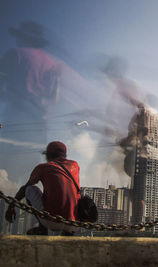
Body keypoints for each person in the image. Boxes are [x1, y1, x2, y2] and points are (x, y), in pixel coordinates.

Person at [0, 20, 61, 185]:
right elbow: (53, 99)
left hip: (16, 119)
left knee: (6, 170)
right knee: (30, 175)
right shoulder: (51, 64)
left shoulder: (15, 54)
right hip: (38, 124)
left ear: (23, 37)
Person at [5, 141, 80, 235]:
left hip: (51, 222)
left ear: (49, 155)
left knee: (30, 189)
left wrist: (11, 206)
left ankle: (42, 228)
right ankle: (68, 233)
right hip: (73, 224)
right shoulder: (75, 165)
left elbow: (24, 189)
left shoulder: (43, 167)